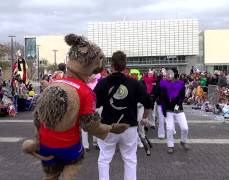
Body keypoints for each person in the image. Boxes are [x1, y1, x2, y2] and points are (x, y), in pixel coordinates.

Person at [22, 34, 129, 180]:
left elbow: (38, 117)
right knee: (72, 168)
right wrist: (110, 128)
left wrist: (37, 140)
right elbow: (90, 126)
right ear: (92, 65)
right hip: (68, 147)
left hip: (45, 145)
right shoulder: (85, 92)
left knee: (50, 175)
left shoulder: (53, 84)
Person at [94, 51, 152, 180]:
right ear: (125, 65)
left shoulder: (103, 83)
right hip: (129, 127)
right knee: (130, 159)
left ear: (111, 64)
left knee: (104, 159)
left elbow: (93, 103)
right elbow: (148, 102)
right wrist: (144, 118)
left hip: (108, 126)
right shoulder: (134, 83)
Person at [159, 68, 190, 154]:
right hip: (168, 110)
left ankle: (183, 141)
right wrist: (163, 109)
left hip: (178, 110)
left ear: (175, 74)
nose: (168, 75)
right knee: (169, 128)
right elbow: (162, 98)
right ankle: (170, 146)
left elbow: (182, 96)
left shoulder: (180, 83)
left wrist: (177, 106)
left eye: (170, 73)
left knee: (185, 128)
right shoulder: (164, 84)